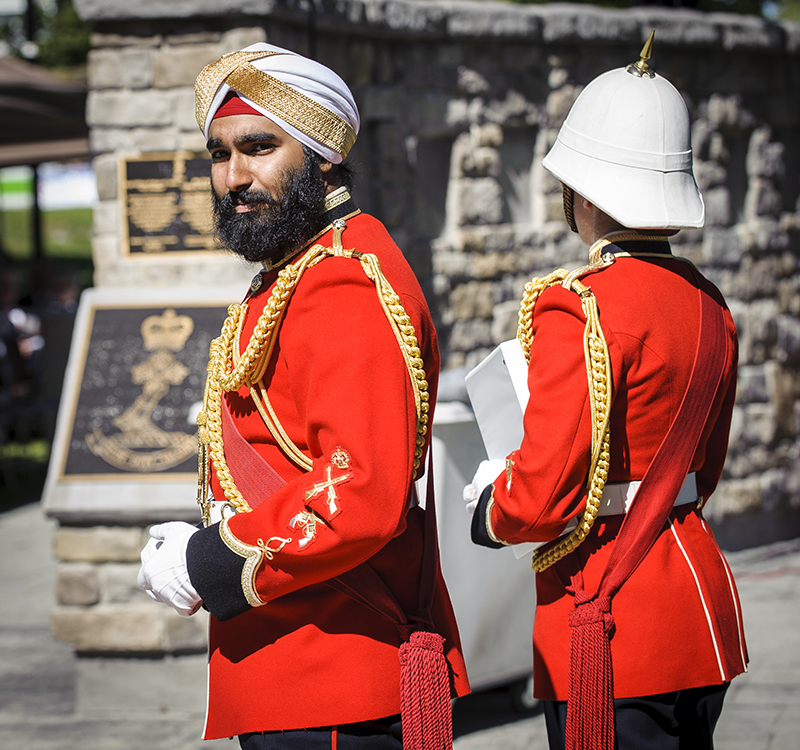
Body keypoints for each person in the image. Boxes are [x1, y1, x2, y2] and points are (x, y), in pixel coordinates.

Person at [137, 43, 469, 749]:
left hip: (333, 668)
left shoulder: (342, 279)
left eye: (259, 148)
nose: (234, 176)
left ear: (321, 154)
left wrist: (205, 562)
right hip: (294, 661)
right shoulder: (298, 267)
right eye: (220, 155)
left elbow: (362, 492)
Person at [465, 35, 747, 750]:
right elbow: (702, 471)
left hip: (612, 610)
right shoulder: (712, 305)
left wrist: (491, 507)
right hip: (697, 601)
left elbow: (543, 496)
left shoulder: (578, 306)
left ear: (582, 193)